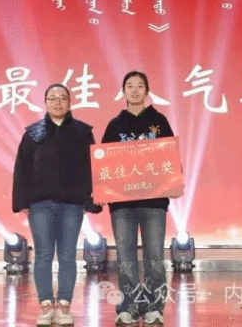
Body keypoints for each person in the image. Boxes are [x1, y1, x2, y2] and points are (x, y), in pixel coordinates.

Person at [12, 83, 101, 327]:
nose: (58, 102)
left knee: (67, 256)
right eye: (53, 98)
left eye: (63, 98)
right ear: (45, 103)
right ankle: (45, 306)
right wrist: (21, 201)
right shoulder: (33, 133)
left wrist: (93, 198)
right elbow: (21, 169)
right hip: (40, 204)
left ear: (70, 102)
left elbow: (93, 167)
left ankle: (63, 306)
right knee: (42, 255)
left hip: (72, 204)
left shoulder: (83, 132)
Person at [102, 71, 175, 326]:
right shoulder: (115, 125)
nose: (134, 90)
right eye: (129, 86)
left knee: (155, 258)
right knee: (125, 259)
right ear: (123, 92)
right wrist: (102, 190)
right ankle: (129, 307)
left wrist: (174, 182)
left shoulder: (159, 122)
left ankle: (154, 308)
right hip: (122, 205)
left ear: (147, 91)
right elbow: (104, 164)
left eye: (140, 86)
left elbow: (170, 157)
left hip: (154, 203)